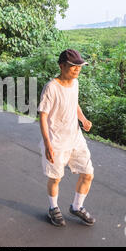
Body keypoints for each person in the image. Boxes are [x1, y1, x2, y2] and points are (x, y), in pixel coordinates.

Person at [38, 49, 95, 227]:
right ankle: (53, 208)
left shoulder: (75, 83)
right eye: (73, 66)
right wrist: (48, 144)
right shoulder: (51, 88)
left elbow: (74, 103)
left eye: (79, 66)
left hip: (75, 138)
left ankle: (77, 207)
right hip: (56, 141)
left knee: (88, 174)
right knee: (56, 178)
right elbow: (43, 116)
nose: (77, 70)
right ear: (62, 66)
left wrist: (83, 119)